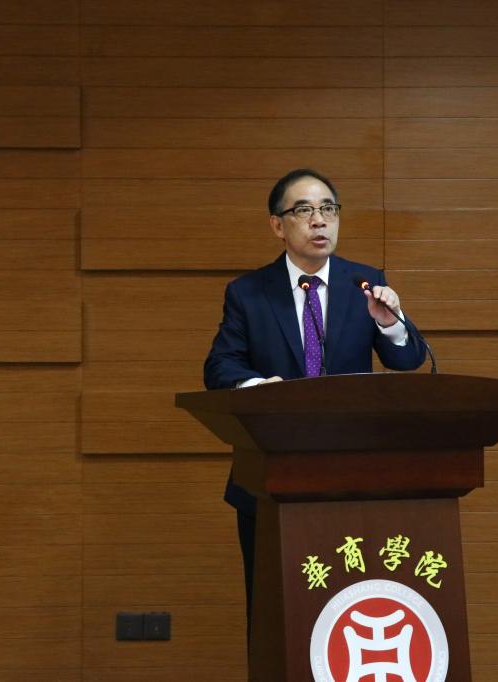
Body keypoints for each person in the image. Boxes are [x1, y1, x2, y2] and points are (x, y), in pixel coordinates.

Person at [202, 168, 427, 630]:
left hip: (354, 476)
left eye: (328, 209)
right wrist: (259, 390)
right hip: (270, 475)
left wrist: (389, 323)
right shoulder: (247, 292)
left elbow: (408, 361)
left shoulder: (364, 283)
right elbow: (219, 367)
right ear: (278, 225)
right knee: (273, 613)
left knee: (349, 607)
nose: (319, 220)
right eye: (304, 210)